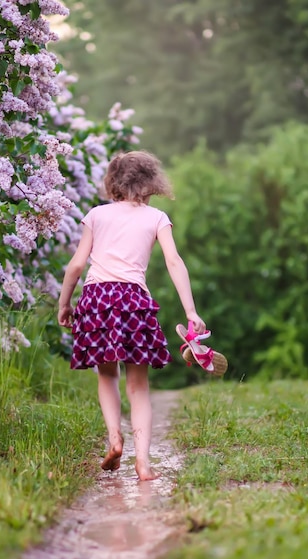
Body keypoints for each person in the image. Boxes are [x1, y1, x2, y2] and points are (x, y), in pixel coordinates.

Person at [58, 150, 205, 481]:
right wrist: (191, 311)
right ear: (152, 182)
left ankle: (114, 438)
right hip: (134, 300)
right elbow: (174, 262)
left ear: (113, 182)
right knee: (138, 386)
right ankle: (144, 464)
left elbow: (77, 264)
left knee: (107, 375)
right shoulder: (156, 218)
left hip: (96, 298)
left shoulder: (96, 214)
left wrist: (64, 303)